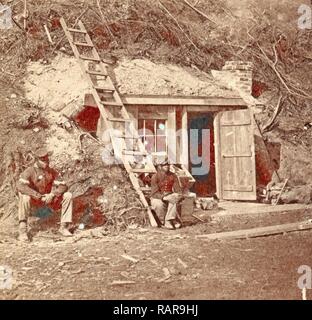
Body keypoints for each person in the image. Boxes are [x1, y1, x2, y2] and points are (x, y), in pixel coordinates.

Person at [16, 148, 73, 242]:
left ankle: (64, 227)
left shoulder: (51, 171)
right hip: (34, 203)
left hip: (48, 202)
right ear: (37, 160)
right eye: (43, 160)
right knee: (25, 197)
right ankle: (22, 231)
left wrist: (52, 194)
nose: (46, 162)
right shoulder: (29, 171)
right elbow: (20, 186)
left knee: (68, 195)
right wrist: (37, 195)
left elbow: (63, 186)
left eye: (47, 159)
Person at [150, 160, 183, 229]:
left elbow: (178, 189)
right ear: (160, 166)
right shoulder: (155, 176)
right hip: (157, 197)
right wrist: (164, 197)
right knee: (157, 204)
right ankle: (163, 222)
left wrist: (177, 195)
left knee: (174, 198)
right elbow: (154, 193)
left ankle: (168, 221)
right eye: (165, 165)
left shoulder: (173, 175)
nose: (167, 166)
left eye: (168, 165)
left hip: (169, 195)